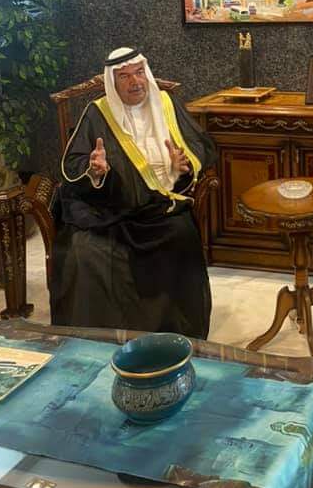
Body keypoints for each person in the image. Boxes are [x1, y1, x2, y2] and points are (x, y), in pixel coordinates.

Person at [50, 47, 216, 338]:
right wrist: (95, 171)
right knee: (85, 252)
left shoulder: (166, 103)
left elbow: (200, 144)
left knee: (181, 236)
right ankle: (101, 339)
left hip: (160, 206)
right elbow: (74, 163)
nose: (134, 82)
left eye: (139, 73)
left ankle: (172, 334)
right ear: (112, 83)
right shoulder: (97, 112)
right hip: (110, 208)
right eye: (124, 76)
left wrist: (183, 165)